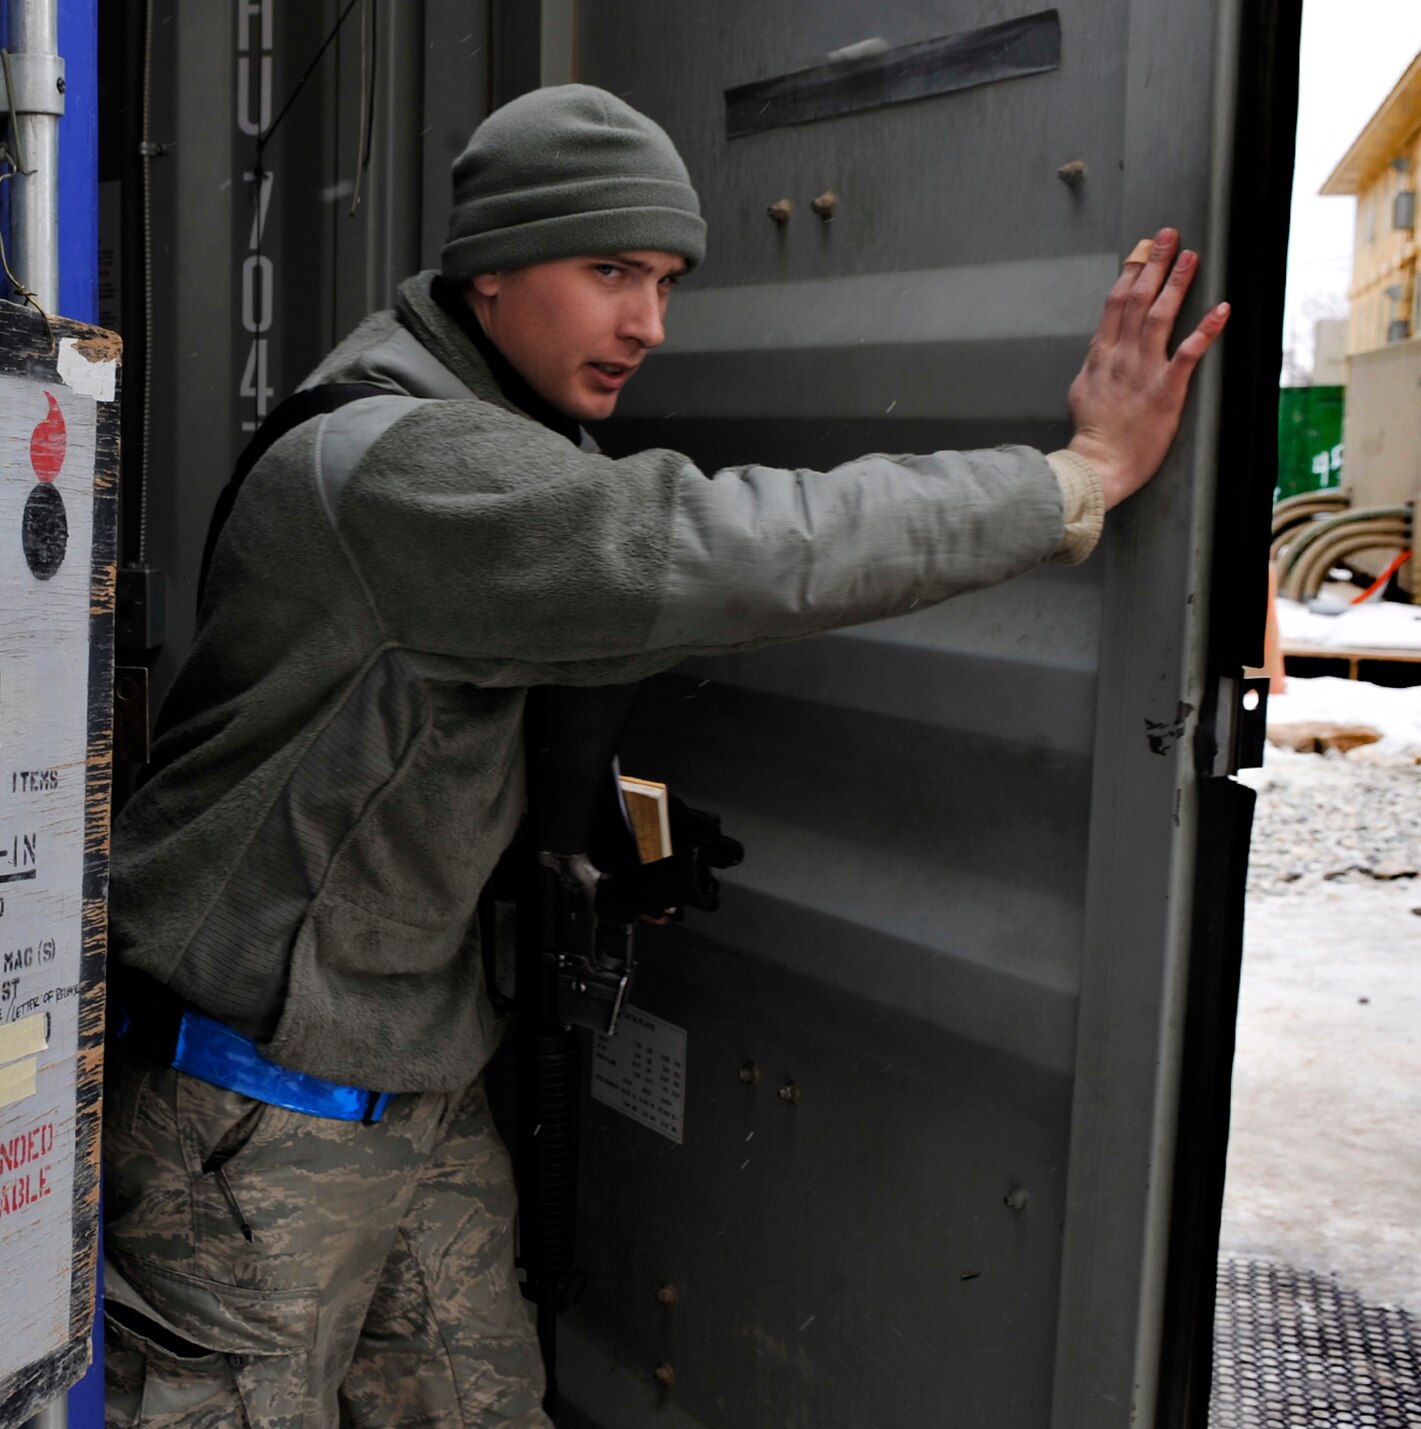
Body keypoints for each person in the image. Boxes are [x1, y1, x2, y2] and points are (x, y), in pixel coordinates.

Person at [102, 83, 1228, 1427]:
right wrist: (1073, 480)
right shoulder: (402, 459)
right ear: (492, 269)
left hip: (420, 1088)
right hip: (251, 1121)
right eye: (610, 271)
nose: (647, 322)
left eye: (668, 280)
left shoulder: (507, 440)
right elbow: (732, 547)